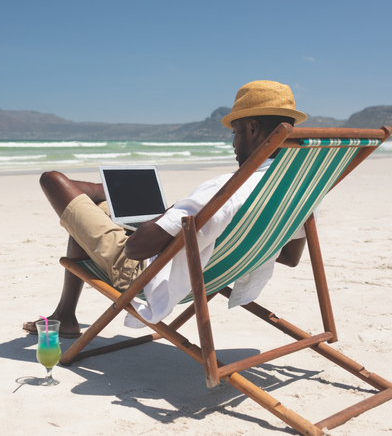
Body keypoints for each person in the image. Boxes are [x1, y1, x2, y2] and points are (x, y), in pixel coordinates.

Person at [24, 80, 309, 338]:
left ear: (253, 128)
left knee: (53, 180)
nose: (233, 143)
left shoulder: (227, 190)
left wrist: (167, 214)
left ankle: (114, 196)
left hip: (148, 275)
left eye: (234, 133)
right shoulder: (301, 187)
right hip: (212, 270)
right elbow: (290, 256)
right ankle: (67, 309)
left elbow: (135, 249)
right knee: (94, 211)